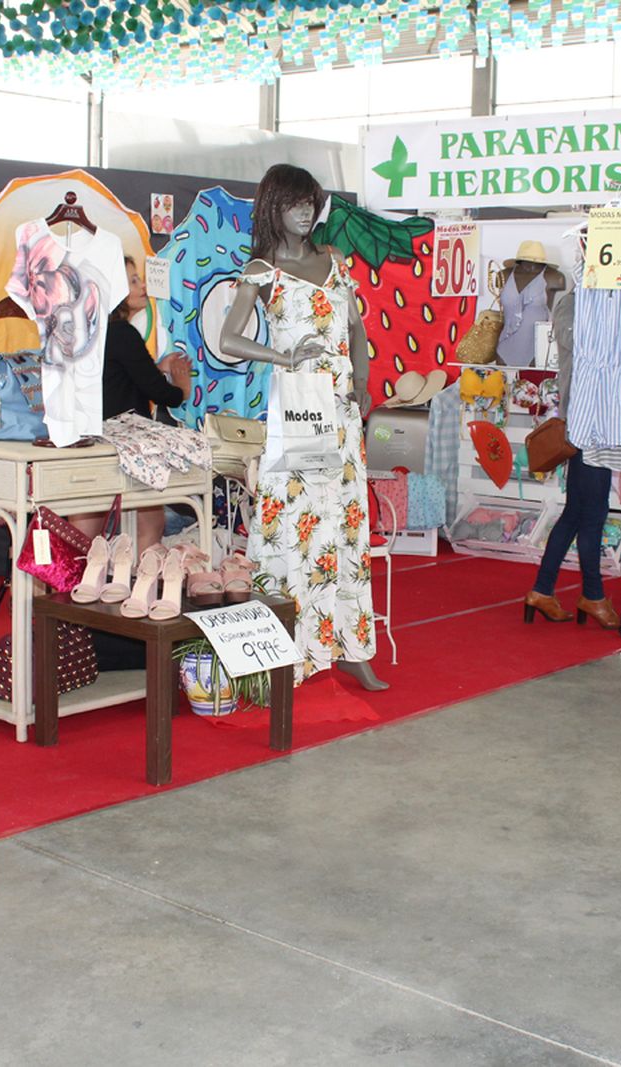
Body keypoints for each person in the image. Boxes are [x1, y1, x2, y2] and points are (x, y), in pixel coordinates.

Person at [218, 164, 386, 691]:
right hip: (298, 408)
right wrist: (283, 356)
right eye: (295, 203)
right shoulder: (261, 270)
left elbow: (356, 329)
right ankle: (288, 646)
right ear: (274, 206)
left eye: (310, 202)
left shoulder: (334, 261)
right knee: (298, 521)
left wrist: (362, 380)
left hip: (341, 412)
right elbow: (228, 339)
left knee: (346, 520)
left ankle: (350, 643)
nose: (305, 212)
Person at [523, 291, 619, 630]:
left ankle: (542, 590)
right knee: (593, 513)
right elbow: (578, 345)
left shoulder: (603, 300)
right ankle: (593, 595)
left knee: (578, 511)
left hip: (595, 420)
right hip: (586, 420)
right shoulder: (574, 302)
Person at [98, 256, 194, 550]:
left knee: (89, 535)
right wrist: (182, 388)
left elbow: (118, 378)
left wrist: (155, 368)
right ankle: (143, 575)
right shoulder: (123, 332)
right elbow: (162, 393)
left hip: (96, 441)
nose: (142, 286)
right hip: (127, 441)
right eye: (133, 281)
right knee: (151, 524)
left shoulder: (95, 331)